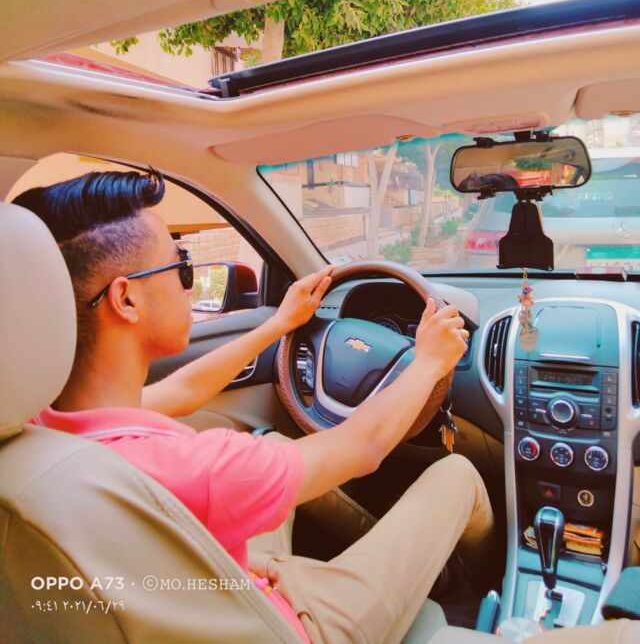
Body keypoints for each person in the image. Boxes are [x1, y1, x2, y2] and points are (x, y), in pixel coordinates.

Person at [15, 168, 495, 644]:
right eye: (182, 267)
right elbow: (362, 447)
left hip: (214, 596)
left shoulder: (42, 428)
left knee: (277, 441)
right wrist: (428, 363)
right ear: (126, 299)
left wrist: (280, 324)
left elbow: (183, 390)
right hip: (295, 630)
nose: (189, 283)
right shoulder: (197, 470)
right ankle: (476, 591)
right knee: (458, 475)